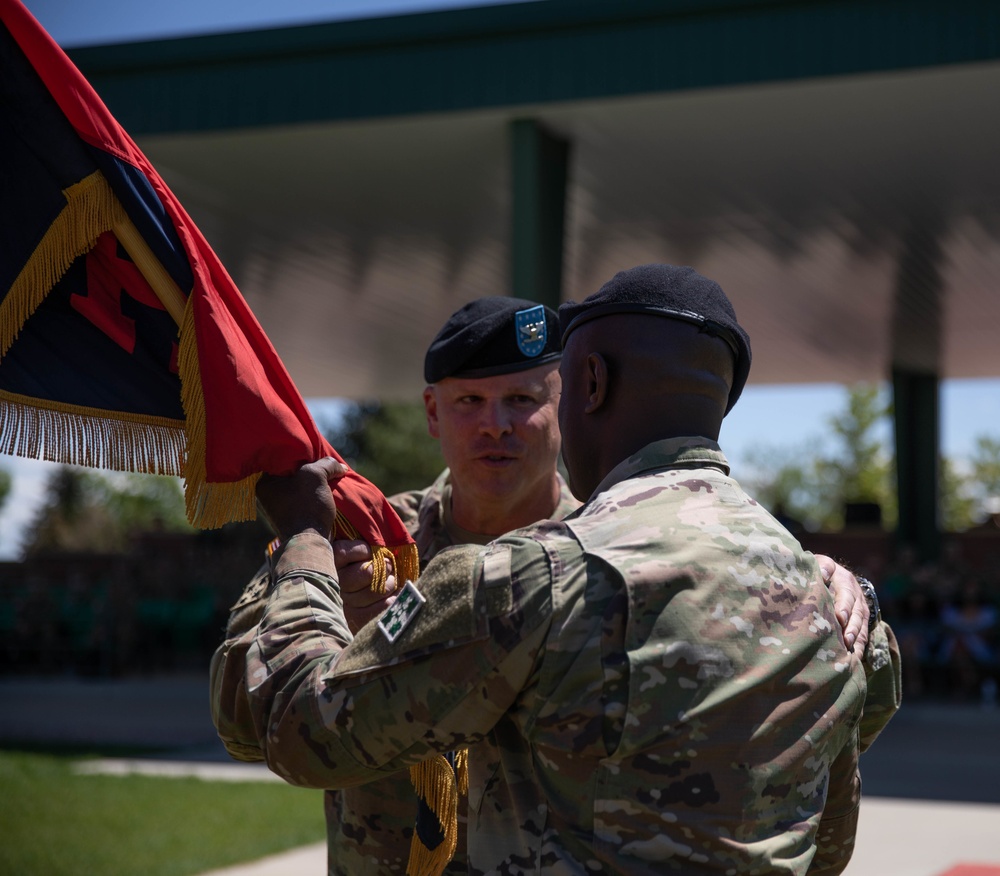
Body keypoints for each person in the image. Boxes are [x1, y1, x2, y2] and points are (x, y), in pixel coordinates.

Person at [215, 266, 900, 874]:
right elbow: (821, 820)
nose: (497, 427)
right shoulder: (811, 591)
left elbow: (301, 728)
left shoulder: (533, 574)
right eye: (470, 403)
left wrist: (301, 543)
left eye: (526, 399)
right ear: (433, 412)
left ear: (585, 386)